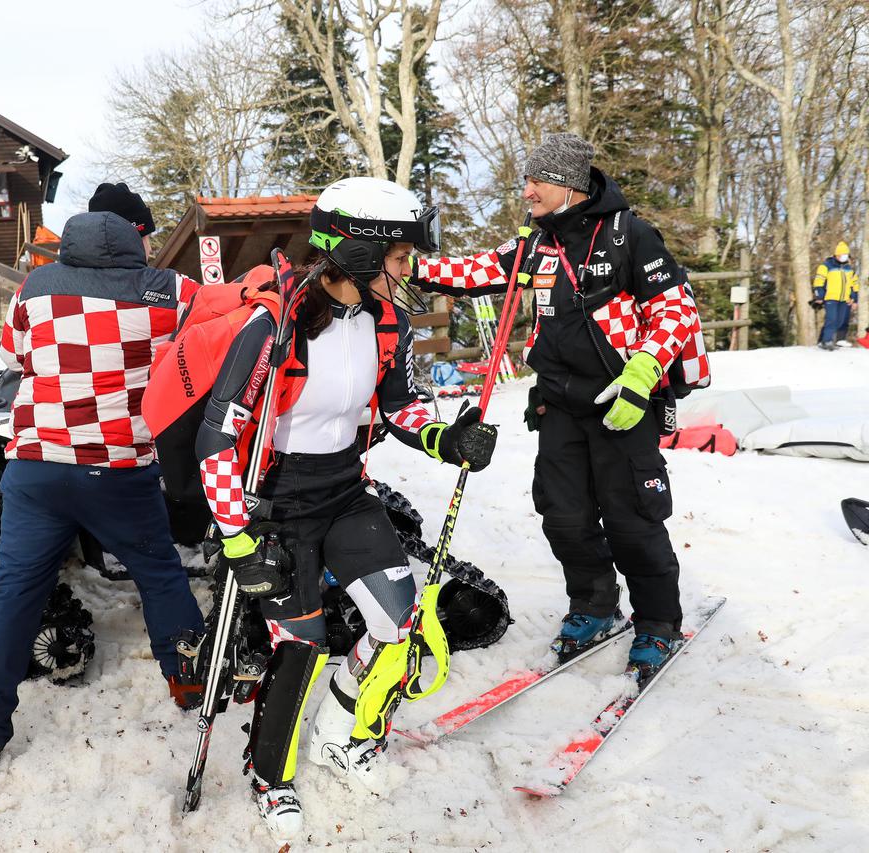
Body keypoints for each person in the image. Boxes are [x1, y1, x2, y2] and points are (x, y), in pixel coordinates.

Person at [194, 177, 498, 836]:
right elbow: (215, 436)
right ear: (360, 253)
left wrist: (450, 438)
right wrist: (240, 544)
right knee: (299, 648)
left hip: (344, 489)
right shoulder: (273, 325)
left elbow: (399, 406)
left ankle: (344, 733)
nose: (409, 270)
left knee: (399, 623)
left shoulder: (390, 320)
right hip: (276, 503)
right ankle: (271, 776)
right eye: (398, 257)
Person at [410, 133, 705, 679]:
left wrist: (641, 375)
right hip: (560, 405)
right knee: (564, 517)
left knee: (631, 521)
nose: (526, 190)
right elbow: (476, 274)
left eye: (536, 180)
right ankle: (594, 607)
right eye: (526, 179)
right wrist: (407, 266)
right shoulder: (537, 243)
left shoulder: (628, 236)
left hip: (623, 404)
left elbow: (675, 311)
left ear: (568, 184)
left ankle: (659, 622)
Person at [0, 184, 205, 773]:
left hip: (38, 469)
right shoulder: (166, 292)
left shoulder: (35, 288)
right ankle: (190, 682)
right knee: (161, 574)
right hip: (119, 472)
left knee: (13, 591)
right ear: (137, 242)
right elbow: (217, 317)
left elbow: (14, 354)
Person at [812, 241, 859, 349]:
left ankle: (832, 340)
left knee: (842, 320)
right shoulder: (826, 266)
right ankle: (827, 341)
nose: (845, 257)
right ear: (837, 255)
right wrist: (819, 296)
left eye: (846, 255)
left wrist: (854, 299)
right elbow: (818, 282)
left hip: (845, 299)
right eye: (843, 255)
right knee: (832, 319)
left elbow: (854, 285)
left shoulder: (849, 269)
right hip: (831, 297)